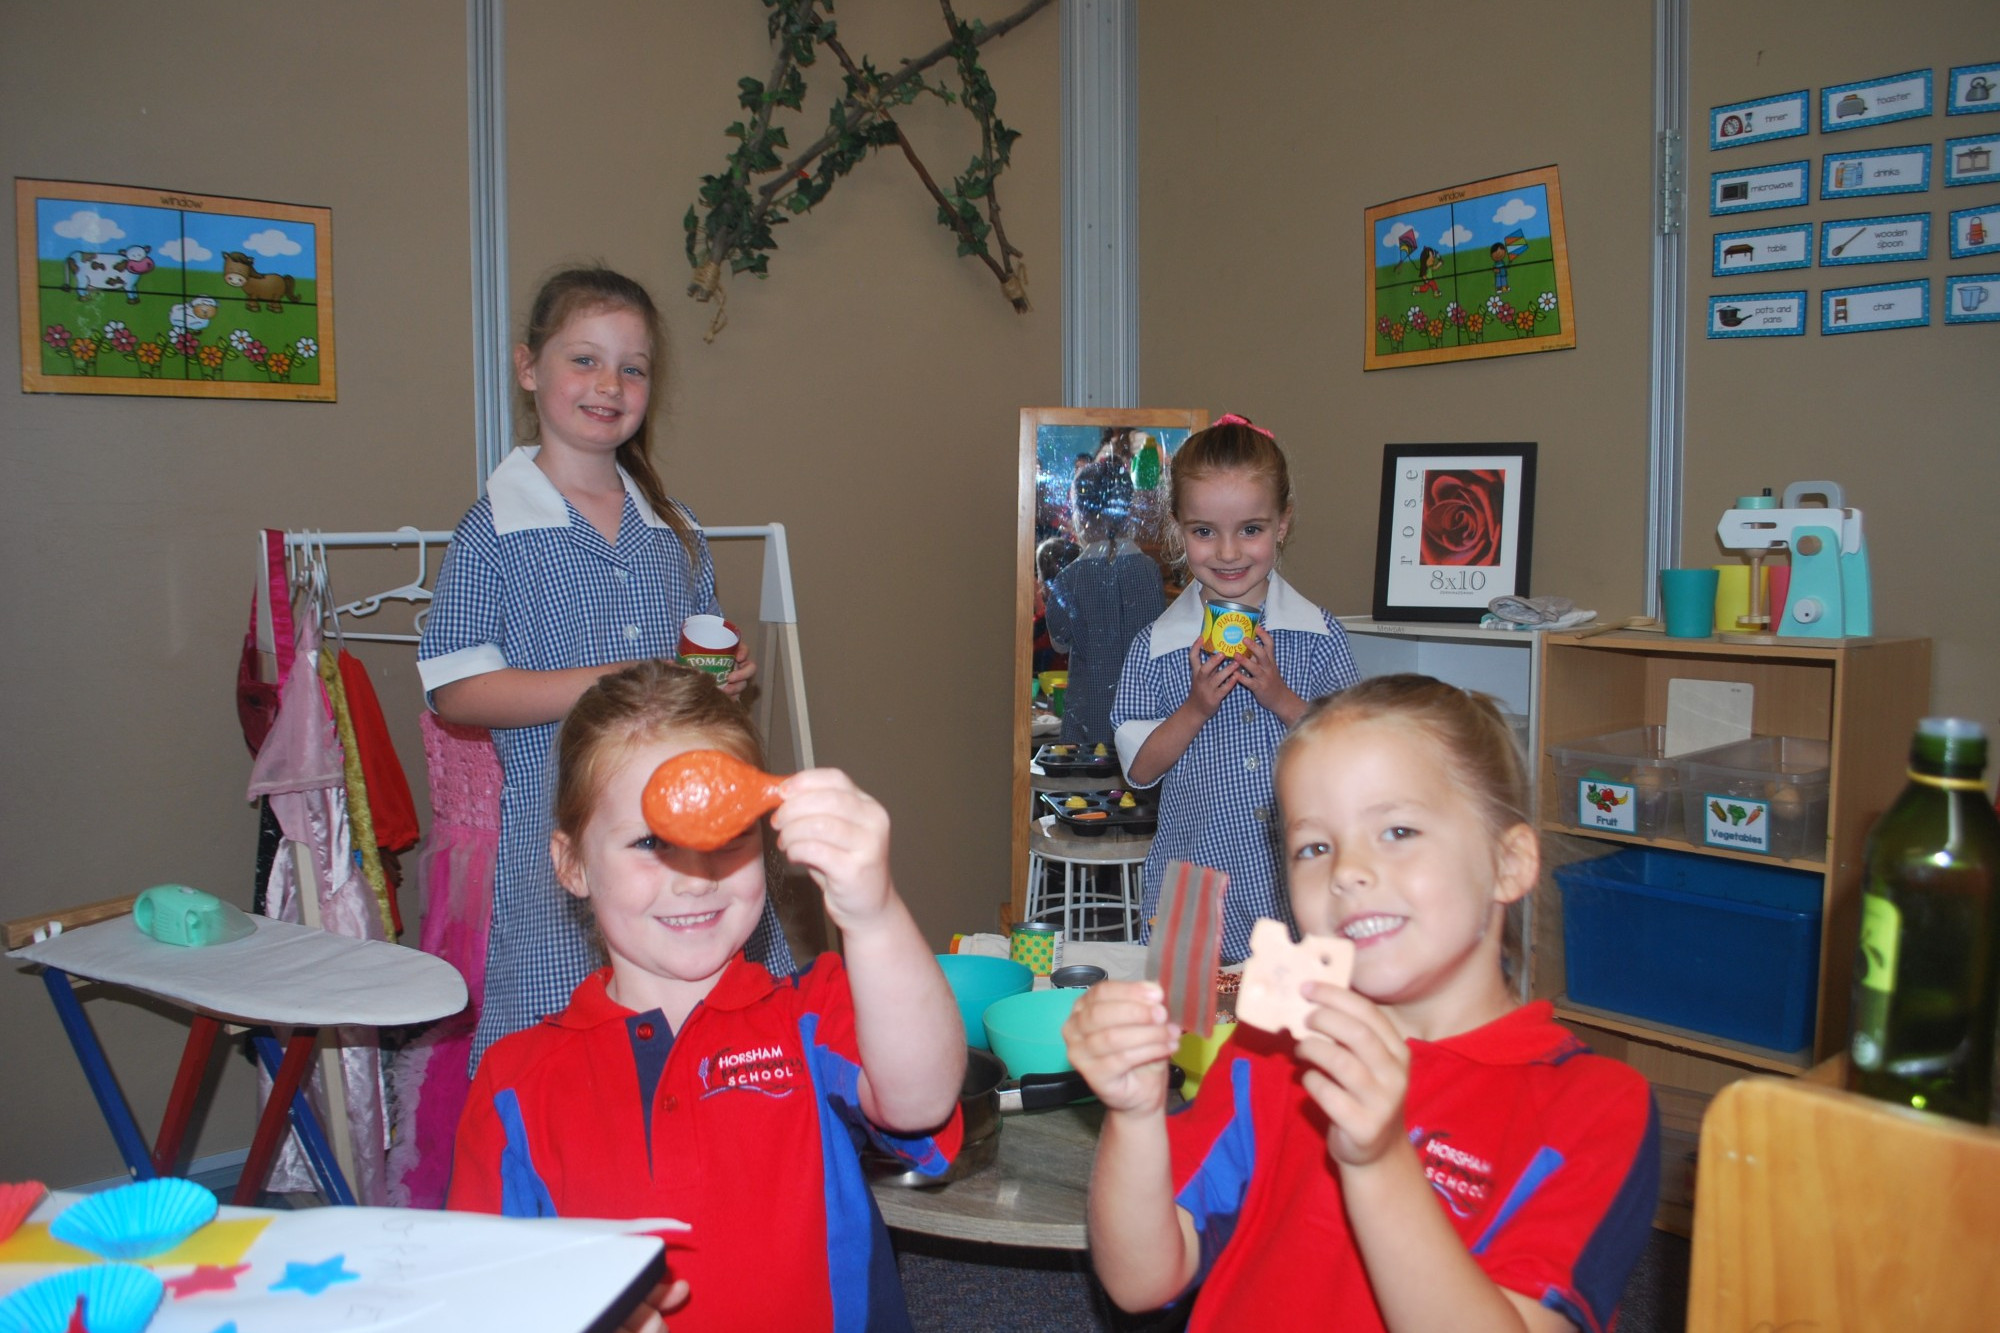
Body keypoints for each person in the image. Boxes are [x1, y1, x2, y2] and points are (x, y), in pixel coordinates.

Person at [1064, 675, 1660, 1332]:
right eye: (1314, 846)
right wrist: (1136, 1115)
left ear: (1509, 862)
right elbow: (1141, 1280)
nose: (1346, 869)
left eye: (1398, 829)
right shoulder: (1269, 1050)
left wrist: (1379, 1163)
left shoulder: (1595, 1106)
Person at [449, 660, 966, 1332]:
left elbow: (920, 1098)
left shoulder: (812, 1013)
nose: (696, 880)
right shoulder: (514, 1083)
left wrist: (873, 913)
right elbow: (476, 1296)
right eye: (651, 843)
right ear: (572, 863)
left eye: (728, 837)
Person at [419, 266, 794, 1068]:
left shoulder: (673, 527)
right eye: (584, 360)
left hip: (690, 831)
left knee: (710, 1034)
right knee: (571, 1061)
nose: (609, 384)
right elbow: (456, 688)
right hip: (568, 847)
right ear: (530, 369)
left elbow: (698, 657)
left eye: (633, 367)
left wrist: (716, 680)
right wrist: (618, 676)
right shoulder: (493, 530)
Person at [1108, 414, 1359, 960]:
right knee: (1191, 1031)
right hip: (1191, 885)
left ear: (1282, 525)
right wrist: (1195, 708)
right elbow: (1140, 769)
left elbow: (1355, 747)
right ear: (1178, 531)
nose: (1227, 553)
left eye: (1251, 529)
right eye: (1204, 532)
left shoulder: (1317, 635)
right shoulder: (1155, 646)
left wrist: (1281, 699)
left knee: (1292, 1030)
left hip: (1294, 888)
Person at [1045, 458, 1164, 748]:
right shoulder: (1149, 571)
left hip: (1086, 724)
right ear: (1128, 513)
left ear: (1082, 517)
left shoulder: (1069, 579)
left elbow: (1059, 641)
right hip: (1142, 720)